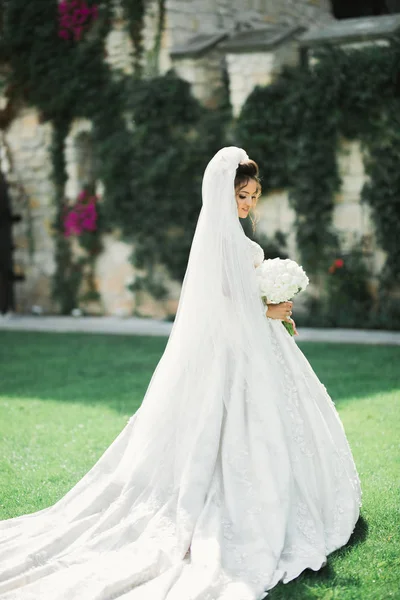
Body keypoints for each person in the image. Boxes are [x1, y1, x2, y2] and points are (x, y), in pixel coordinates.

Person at [0, 147, 361, 600]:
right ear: (221, 194)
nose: (246, 204)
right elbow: (222, 307)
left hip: (259, 347)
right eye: (240, 195)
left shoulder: (235, 240)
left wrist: (271, 306)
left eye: (252, 196)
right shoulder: (219, 242)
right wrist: (267, 307)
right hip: (233, 352)